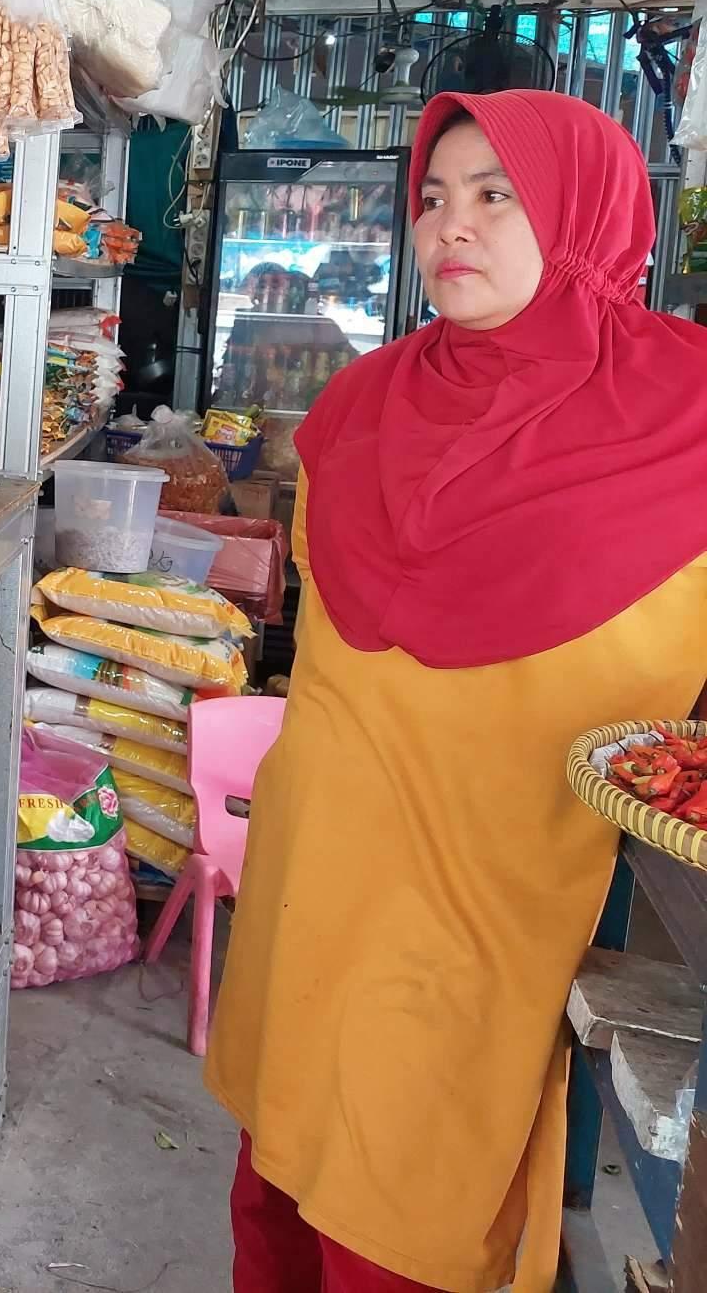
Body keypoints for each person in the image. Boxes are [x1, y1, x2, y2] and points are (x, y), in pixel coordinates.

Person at [205, 89, 707, 1292]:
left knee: (405, 1207)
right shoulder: (359, 403)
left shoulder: (681, 418)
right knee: (276, 1171)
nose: (448, 228)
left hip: (479, 896)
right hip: (316, 860)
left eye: (495, 196)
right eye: (430, 198)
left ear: (582, 214)